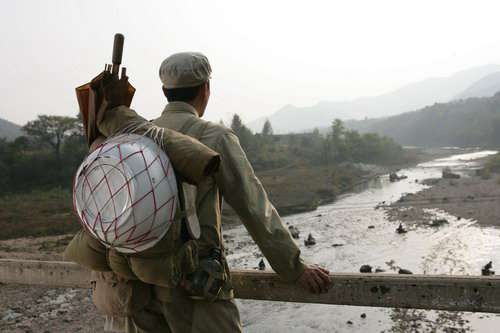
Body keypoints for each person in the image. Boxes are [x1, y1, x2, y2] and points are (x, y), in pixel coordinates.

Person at [123, 52, 331, 332]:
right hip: (199, 286)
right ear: (206, 89)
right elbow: (253, 205)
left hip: (146, 286)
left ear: (165, 92)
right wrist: (294, 267)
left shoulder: (141, 136)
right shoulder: (214, 137)